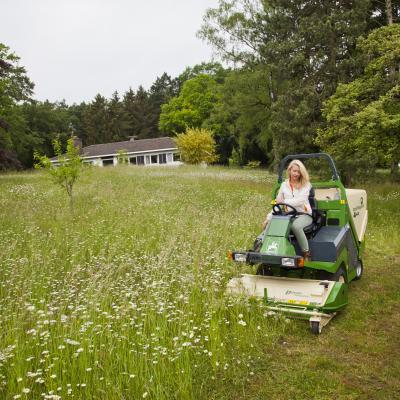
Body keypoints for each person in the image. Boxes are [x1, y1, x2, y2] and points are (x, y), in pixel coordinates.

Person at [262, 159, 313, 260]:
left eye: (299, 172)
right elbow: (278, 204)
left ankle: (306, 252)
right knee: (272, 222)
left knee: (295, 226)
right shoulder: (284, 185)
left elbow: (300, 200)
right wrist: (268, 218)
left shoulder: (306, 185)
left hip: (304, 214)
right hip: (288, 215)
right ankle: (263, 247)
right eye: (294, 171)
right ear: (289, 171)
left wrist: (284, 201)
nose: (296, 174)